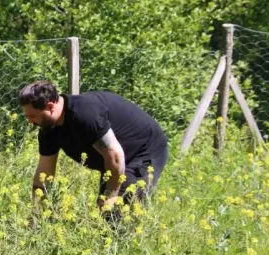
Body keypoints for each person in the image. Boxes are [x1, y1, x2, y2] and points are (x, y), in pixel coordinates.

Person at [18, 81, 168, 213]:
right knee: (105, 215)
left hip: (143, 151)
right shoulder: (48, 128)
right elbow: (44, 171)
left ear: (50, 107)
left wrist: (110, 196)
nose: (30, 121)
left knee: (117, 214)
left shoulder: (85, 115)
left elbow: (114, 154)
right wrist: (37, 212)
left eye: (32, 116)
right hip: (113, 161)